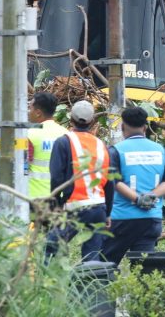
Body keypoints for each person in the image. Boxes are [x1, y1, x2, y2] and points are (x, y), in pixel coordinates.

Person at [102, 106, 165, 265]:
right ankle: (143, 290)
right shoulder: (161, 151)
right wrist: (151, 196)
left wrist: (137, 199)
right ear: (145, 127)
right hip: (150, 219)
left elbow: (113, 180)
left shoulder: (115, 151)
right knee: (144, 267)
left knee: (105, 264)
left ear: (123, 127)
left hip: (121, 219)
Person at [46, 100, 110, 261]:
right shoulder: (101, 144)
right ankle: (91, 285)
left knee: (51, 247)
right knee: (92, 257)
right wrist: (108, 212)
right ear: (92, 122)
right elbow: (110, 181)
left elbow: (56, 177)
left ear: (70, 119)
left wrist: (56, 204)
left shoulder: (63, 142)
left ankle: (46, 282)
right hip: (98, 207)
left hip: (75, 207)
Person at [26, 92, 67, 200]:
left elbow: (22, 167)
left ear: (38, 113)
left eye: (30, 108)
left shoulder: (30, 134)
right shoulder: (66, 134)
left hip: (34, 198)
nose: (29, 112)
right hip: (59, 198)